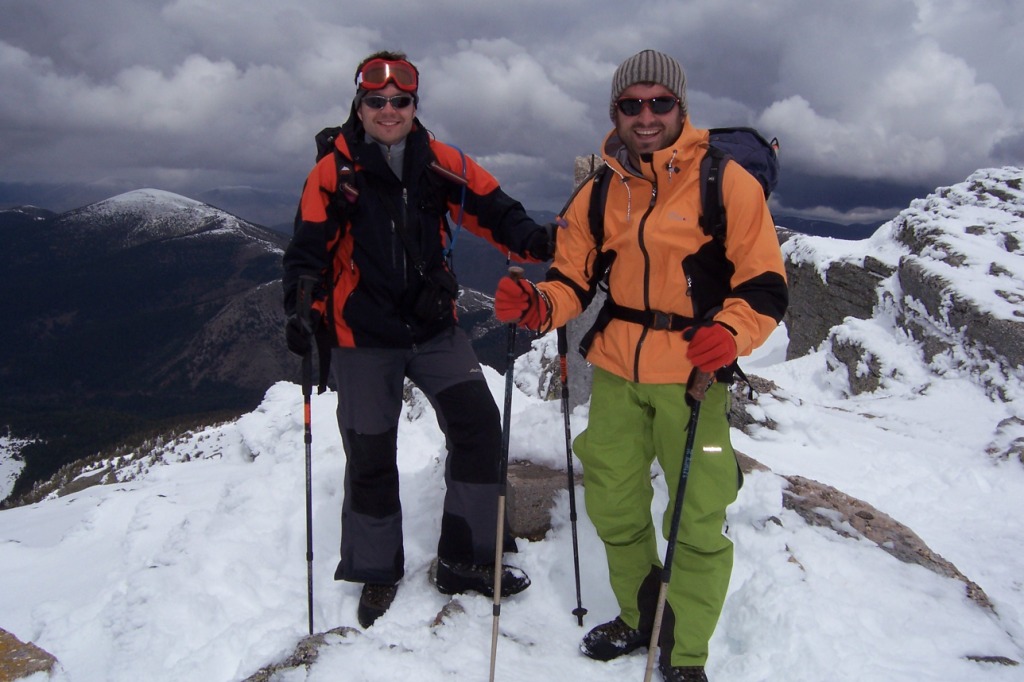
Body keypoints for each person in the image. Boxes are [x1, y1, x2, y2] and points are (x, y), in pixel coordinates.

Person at [493, 49, 788, 682]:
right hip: (618, 374)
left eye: (660, 103)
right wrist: (537, 306)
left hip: (694, 375)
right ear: (615, 113)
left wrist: (730, 334)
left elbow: (764, 284)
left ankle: (684, 657)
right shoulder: (600, 189)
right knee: (615, 505)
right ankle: (639, 614)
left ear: (681, 107)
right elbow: (572, 278)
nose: (646, 116)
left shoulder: (723, 179)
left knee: (696, 518)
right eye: (632, 105)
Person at [282, 50, 555, 629]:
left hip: (432, 327)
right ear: (359, 104)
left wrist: (538, 240)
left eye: (400, 100)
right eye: (376, 100)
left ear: (414, 105)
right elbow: (307, 252)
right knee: (371, 452)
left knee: (478, 428)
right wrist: (302, 312)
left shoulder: (439, 162)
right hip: (362, 337)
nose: (388, 109)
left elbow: (493, 208)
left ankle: (466, 557)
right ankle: (376, 570)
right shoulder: (335, 171)